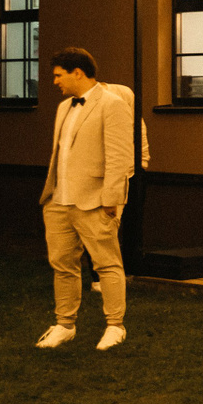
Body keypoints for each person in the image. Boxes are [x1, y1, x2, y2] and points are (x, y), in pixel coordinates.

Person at [35, 47, 134, 351]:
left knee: (107, 264)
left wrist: (112, 200)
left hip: (95, 200)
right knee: (62, 264)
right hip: (59, 200)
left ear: (77, 73)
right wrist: (52, 196)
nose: (55, 81)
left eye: (58, 75)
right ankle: (65, 325)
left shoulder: (113, 104)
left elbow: (120, 156)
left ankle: (115, 326)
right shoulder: (64, 107)